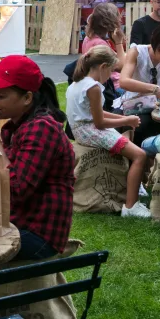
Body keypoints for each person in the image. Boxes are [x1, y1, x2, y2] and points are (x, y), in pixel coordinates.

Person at [0, 55, 75, 260]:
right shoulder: (18, 126)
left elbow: (17, 189)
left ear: (27, 98)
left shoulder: (41, 128)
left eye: (1, 96)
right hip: (18, 223)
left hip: (38, 235)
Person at [66, 46, 150, 218]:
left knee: (127, 129)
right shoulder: (93, 87)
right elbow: (99, 122)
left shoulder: (78, 83)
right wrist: (126, 120)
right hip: (89, 131)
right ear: (103, 66)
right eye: (112, 70)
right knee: (140, 155)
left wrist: (126, 119)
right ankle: (131, 206)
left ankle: (134, 185)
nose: (112, 75)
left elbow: (97, 113)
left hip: (82, 129)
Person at [118, 22, 160, 145]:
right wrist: (155, 89)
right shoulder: (137, 52)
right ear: (156, 40)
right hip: (134, 104)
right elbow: (123, 81)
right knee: (135, 125)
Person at [81, 2, 127, 68]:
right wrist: (119, 43)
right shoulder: (100, 44)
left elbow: (116, 56)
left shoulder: (88, 38)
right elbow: (120, 66)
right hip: (109, 77)